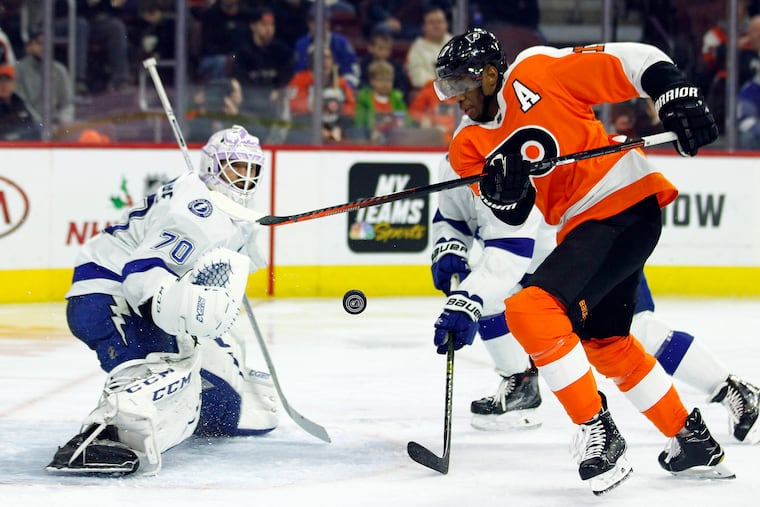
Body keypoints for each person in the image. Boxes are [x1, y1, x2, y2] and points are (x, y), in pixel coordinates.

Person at [430, 28, 727, 495]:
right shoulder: (468, 148)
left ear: (490, 75)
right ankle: (690, 439)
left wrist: (674, 94)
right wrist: (505, 190)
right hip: (586, 225)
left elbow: (634, 59)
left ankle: (600, 433)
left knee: (530, 310)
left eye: (459, 84)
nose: (455, 98)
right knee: (607, 343)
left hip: (621, 201)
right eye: (446, 88)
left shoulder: (536, 70)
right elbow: (518, 211)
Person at [431, 162, 760, 442]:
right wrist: (448, 245)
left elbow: (511, 248)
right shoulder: (458, 156)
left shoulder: (523, 144)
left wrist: (470, 293)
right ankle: (521, 384)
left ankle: (732, 389)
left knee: (633, 332)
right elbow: (452, 215)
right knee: (487, 301)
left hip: (585, 258)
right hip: (527, 270)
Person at [46, 125, 278, 476]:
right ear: (213, 166)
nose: (244, 177)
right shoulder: (197, 210)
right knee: (165, 368)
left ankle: (176, 409)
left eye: (251, 169)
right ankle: (102, 435)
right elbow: (141, 279)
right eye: (235, 166)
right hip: (107, 293)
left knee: (223, 405)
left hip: (141, 299)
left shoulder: (229, 210)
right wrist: (194, 313)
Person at [229, 7, 294, 144]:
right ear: (253, 26)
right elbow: (240, 80)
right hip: (249, 104)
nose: (269, 29)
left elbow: (286, 76)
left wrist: (278, 89)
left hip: (274, 104)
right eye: (264, 25)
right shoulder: (242, 52)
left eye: (271, 25)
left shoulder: (282, 51)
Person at [287, 46, 355, 143]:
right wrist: (317, 129)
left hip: (336, 132)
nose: (325, 61)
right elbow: (295, 110)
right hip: (306, 131)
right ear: (313, 60)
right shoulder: (300, 80)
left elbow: (350, 109)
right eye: (322, 57)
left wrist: (339, 127)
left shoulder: (340, 83)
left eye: (328, 57)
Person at [14, 27, 74, 128]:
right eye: (39, 43)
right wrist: (41, 124)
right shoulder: (18, 70)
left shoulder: (59, 70)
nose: (44, 47)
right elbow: (22, 104)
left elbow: (67, 103)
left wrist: (65, 120)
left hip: (56, 124)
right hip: (30, 125)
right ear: (29, 46)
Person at [293, 5, 360, 89]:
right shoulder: (301, 44)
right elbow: (299, 73)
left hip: (339, 88)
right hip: (309, 89)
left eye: (323, 21)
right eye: (314, 21)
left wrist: (344, 87)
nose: (319, 25)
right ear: (309, 23)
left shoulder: (341, 43)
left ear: (328, 23)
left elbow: (352, 71)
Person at [353, 60, 410, 144]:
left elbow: (407, 123)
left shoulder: (398, 100)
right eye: (381, 80)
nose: (385, 84)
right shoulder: (364, 101)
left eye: (389, 80)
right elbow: (359, 124)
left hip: (396, 141)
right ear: (372, 81)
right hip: (371, 141)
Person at [196, 0, 252, 81]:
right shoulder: (210, 15)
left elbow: (245, 45)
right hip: (211, 58)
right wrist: (229, 57)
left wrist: (234, 56)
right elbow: (208, 47)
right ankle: (219, 91)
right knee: (222, 61)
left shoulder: (245, 15)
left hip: (236, 56)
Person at [404, 5, 452, 93]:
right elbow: (418, 79)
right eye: (432, 22)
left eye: (439, 22)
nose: (436, 26)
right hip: (431, 93)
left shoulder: (455, 43)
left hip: (456, 90)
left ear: (446, 24)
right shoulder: (417, 49)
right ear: (424, 26)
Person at [185, 77, 245, 143]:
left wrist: (235, 115)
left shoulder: (243, 117)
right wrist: (199, 110)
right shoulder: (198, 113)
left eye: (233, 91)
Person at [358, 28, 409, 102]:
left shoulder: (395, 65)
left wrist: (396, 94)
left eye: (387, 49)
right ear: (371, 48)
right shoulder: (364, 65)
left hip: (392, 98)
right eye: (380, 49)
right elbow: (362, 83)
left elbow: (401, 85)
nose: (384, 53)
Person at [0, 63, 41, 141]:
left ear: (14, 84)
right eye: (0, 80)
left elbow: (33, 126)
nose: (4, 85)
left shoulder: (19, 102)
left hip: (23, 147)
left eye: (7, 80)